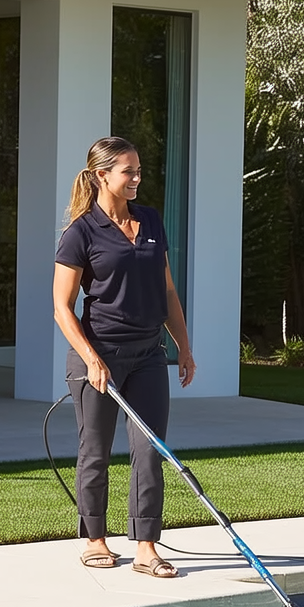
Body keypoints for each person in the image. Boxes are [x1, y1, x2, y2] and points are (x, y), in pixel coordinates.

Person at [53, 136, 197, 576]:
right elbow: (62, 306)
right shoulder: (80, 232)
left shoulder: (151, 220)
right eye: (127, 172)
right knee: (95, 450)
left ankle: (146, 547)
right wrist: (92, 359)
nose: (136, 179)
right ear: (102, 175)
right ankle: (95, 539)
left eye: (139, 171)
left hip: (148, 354)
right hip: (99, 357)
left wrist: (184, 346)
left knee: (150, 450)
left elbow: (167, 288)